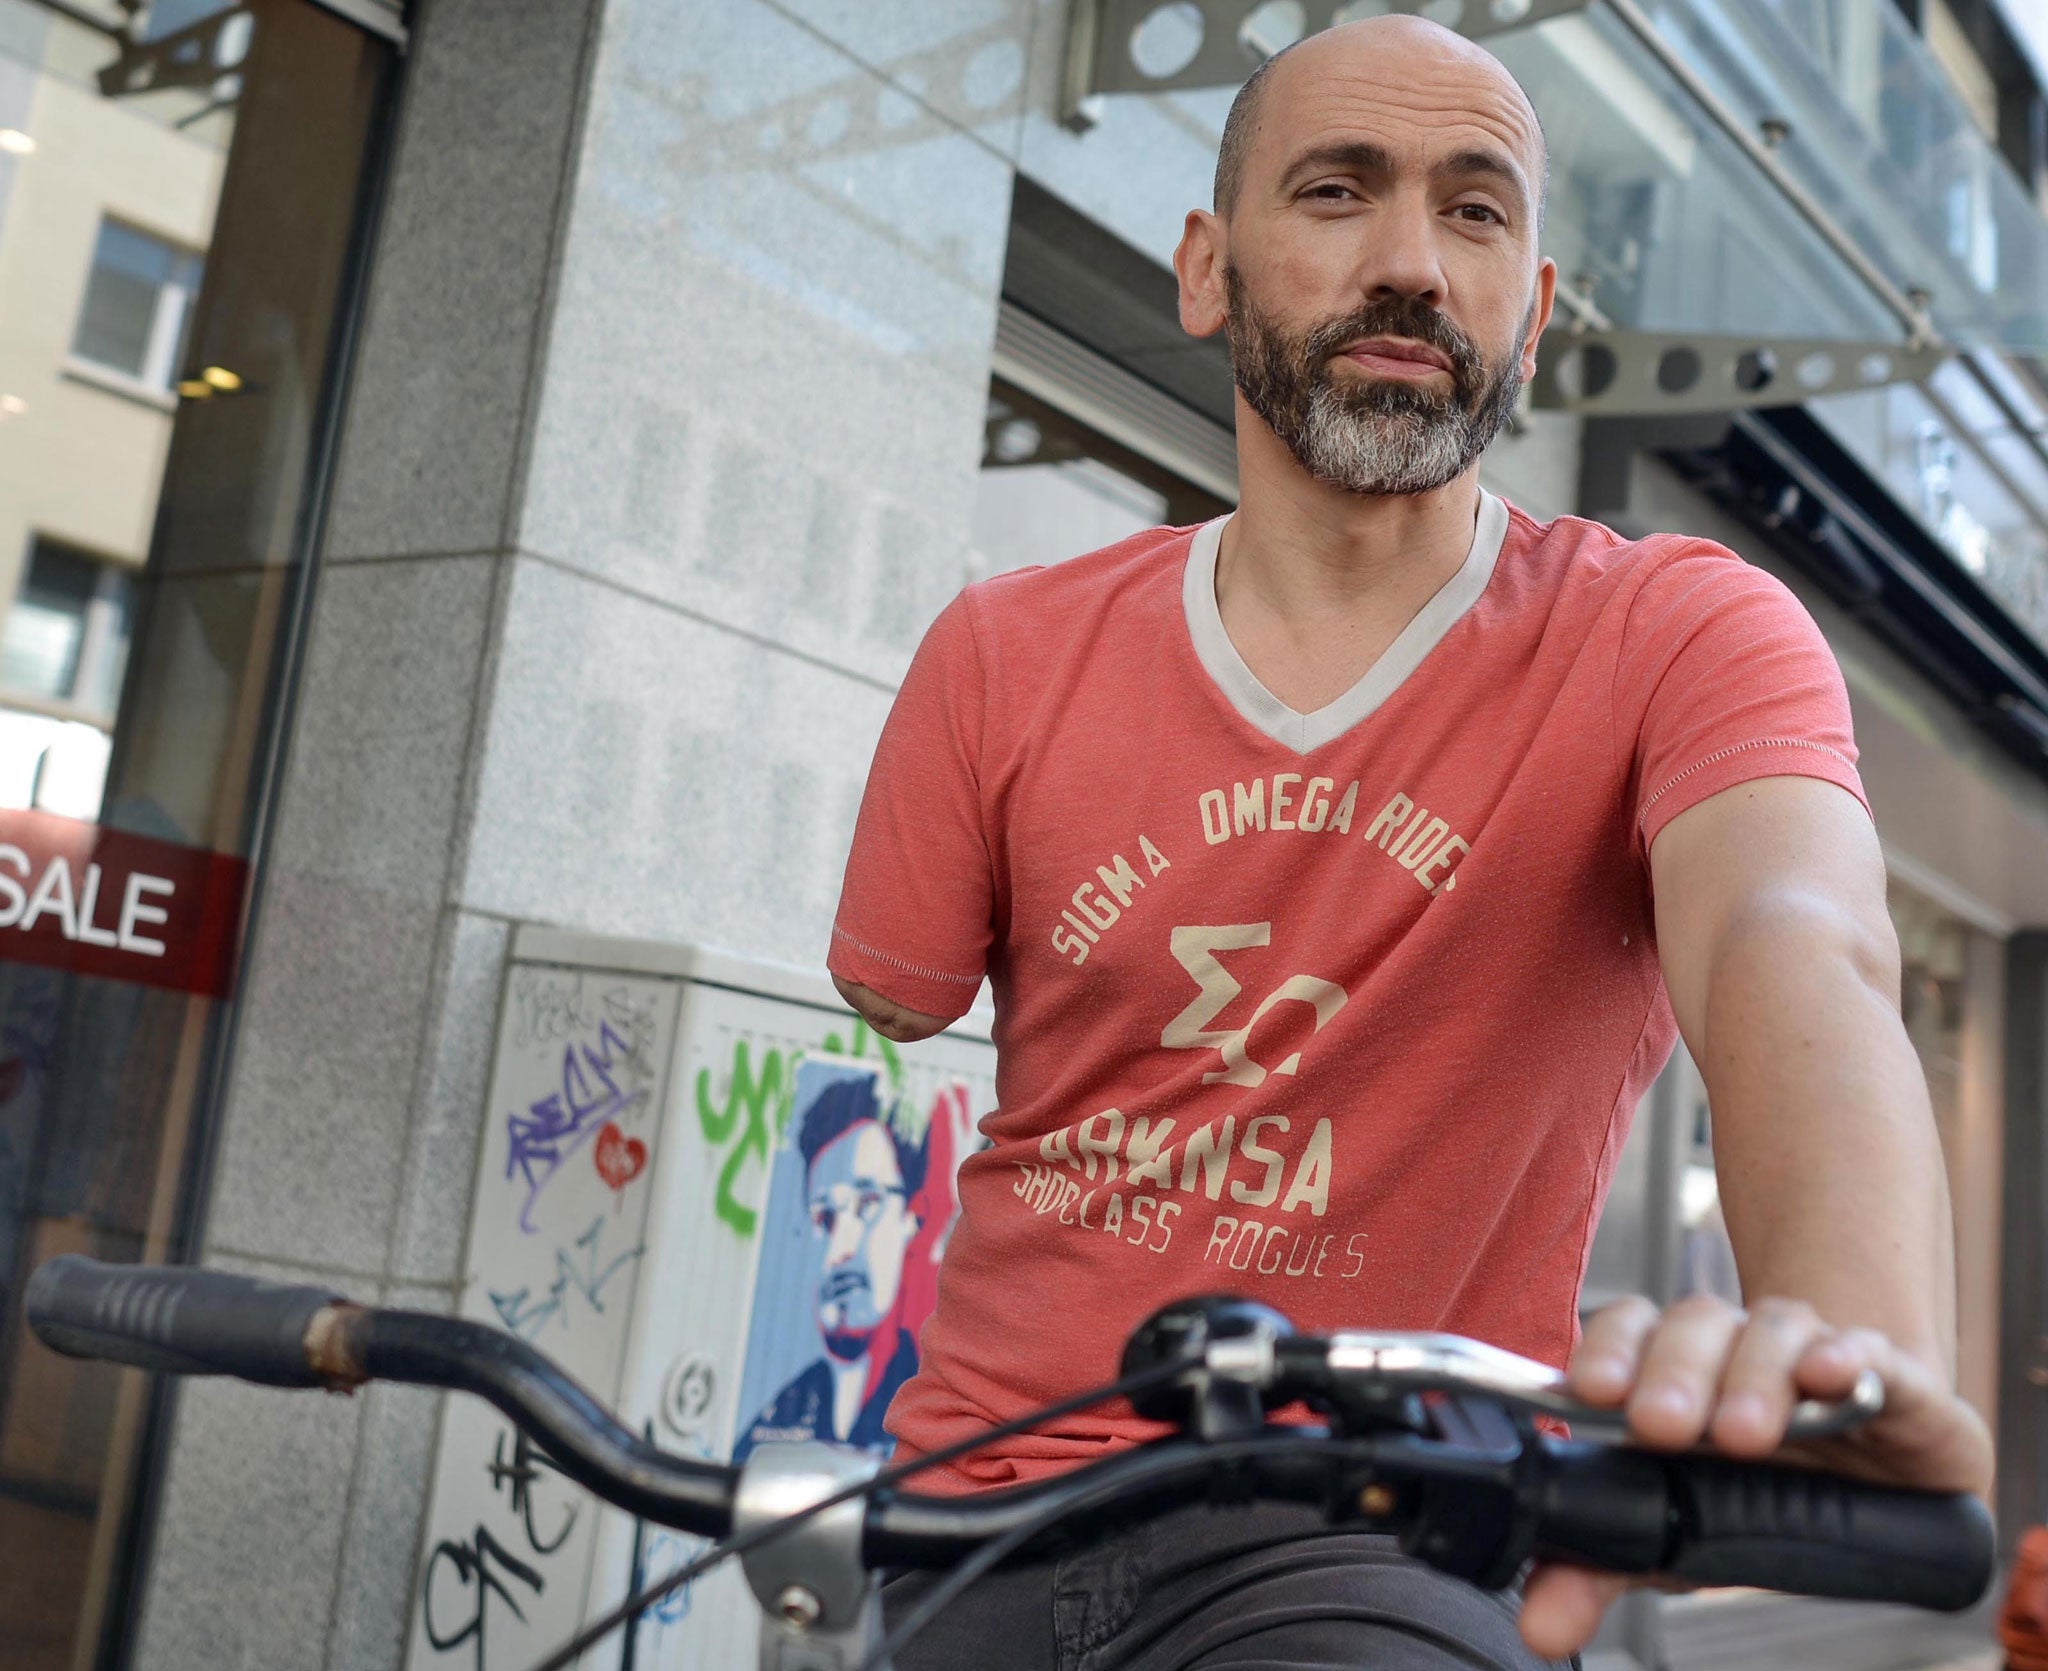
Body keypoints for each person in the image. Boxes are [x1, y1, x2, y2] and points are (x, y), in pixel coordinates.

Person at [827, 13, 1994, 1667]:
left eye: (1473, 210)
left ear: (1531, 302)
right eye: (1334, 191)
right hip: (971, 1509)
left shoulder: (1672, 634)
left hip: (1387, 1526)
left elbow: (1786, 938)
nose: (1410, 264)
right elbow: (894, 994)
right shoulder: (1001, 651)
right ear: (1203, 269)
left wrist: (1850, 1355)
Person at [730, 1076, 925, 1461]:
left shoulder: (935, 1409)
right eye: (825, 1218)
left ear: (911, 1218)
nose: (840, 1249)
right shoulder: (774, 1421)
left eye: (867, 1204)